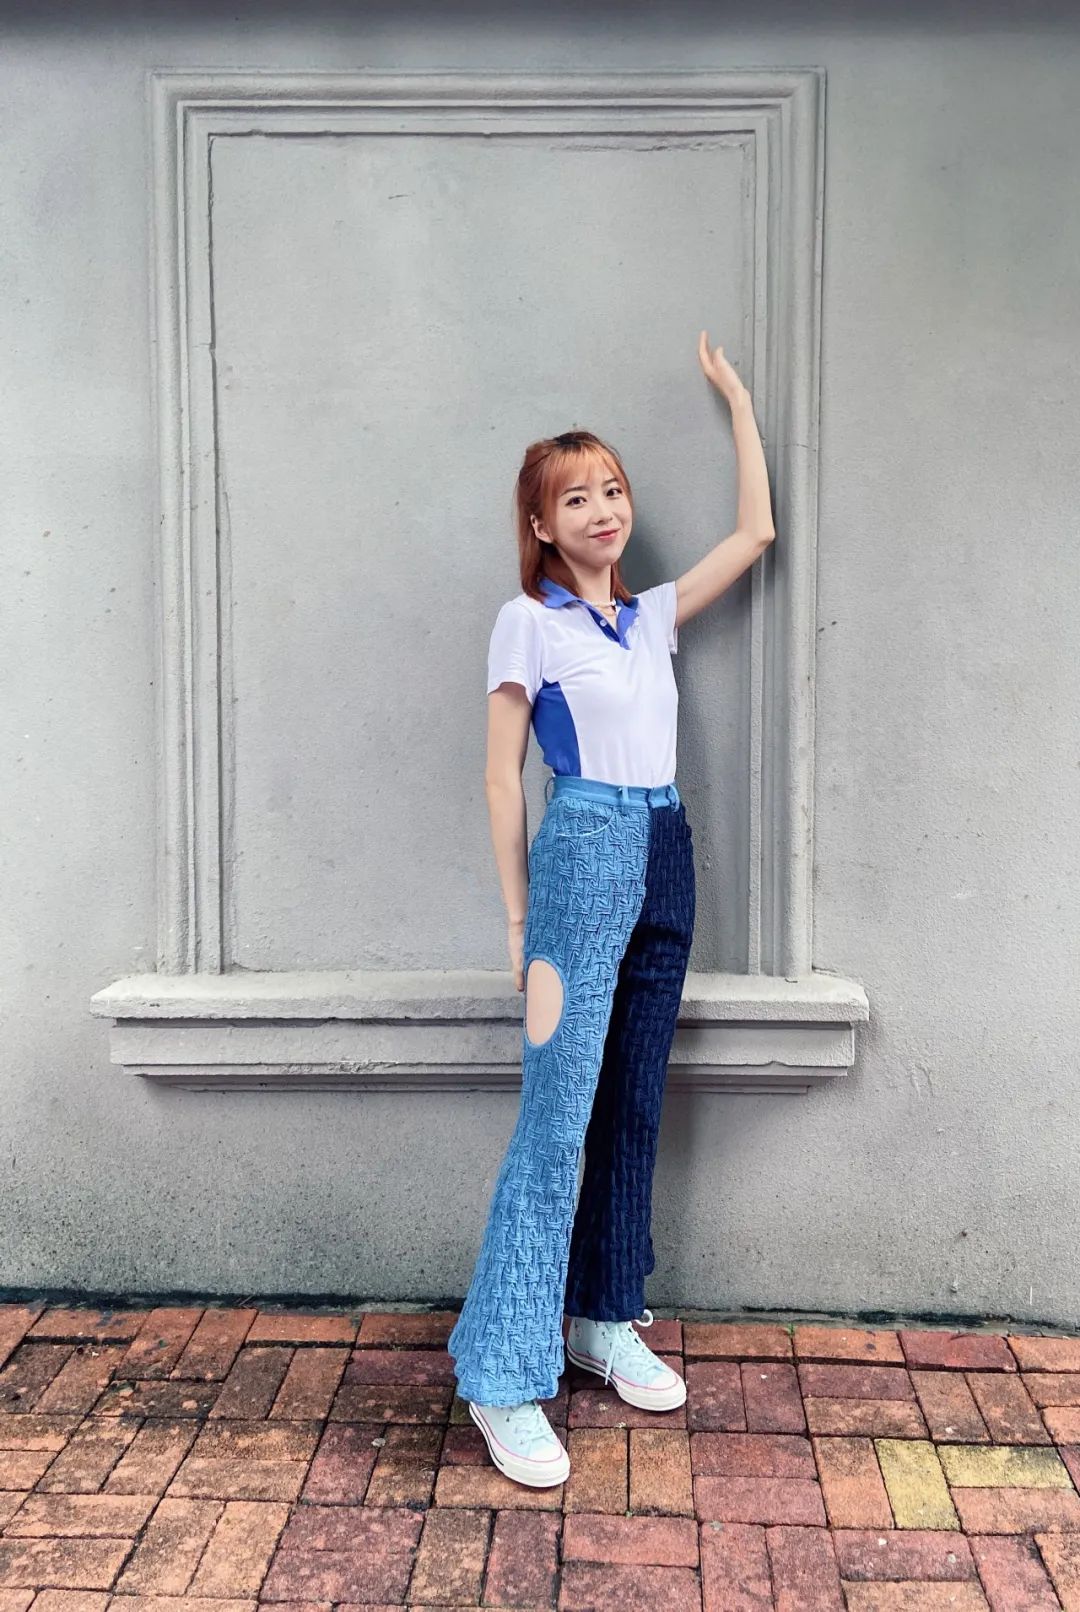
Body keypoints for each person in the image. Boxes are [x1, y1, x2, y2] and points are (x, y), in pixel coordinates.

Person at [447, 332, 776, 1488]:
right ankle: (501, 1372)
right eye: (577, 496)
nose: (603, 509)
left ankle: (601, 1314)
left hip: (666, 847)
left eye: (613, 489)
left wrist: (738, 404)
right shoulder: (527, 622)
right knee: (556, 1118)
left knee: (634, 1101)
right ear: (541, 522)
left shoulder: (650, 616)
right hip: (580, 857)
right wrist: (517, 916)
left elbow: (756, 534)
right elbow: (501, 777)